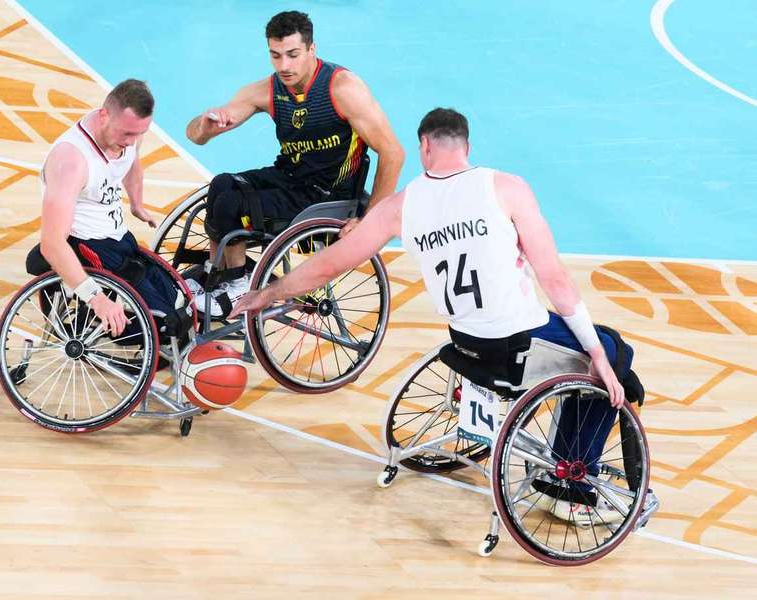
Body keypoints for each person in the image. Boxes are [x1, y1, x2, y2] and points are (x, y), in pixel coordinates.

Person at [231, 108, 644, 524]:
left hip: (465, 347)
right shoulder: (507, 187)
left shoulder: (399, 207)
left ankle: (564, 452)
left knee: (594, 345)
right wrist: (598, 355)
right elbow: (554, 279)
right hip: (520, 343)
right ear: (466, 147)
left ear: (424, 148)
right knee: (615, 356)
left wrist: (268, 293)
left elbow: (328, 265)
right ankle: (571, 486)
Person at [184, 10, 404, 314]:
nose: (284, 66)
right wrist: (205, 128)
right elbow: (195, 134)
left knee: (231, 207)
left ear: (311, 50)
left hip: (326, 196)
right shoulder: (267, 90)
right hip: (289, 178)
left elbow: (393, 152)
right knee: (221, 184)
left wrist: (371, 220)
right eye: (275, 56)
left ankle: (238, 287)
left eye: (292, 55)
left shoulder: (342, 89)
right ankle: (220, 272)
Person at [39, 79, 180, 338]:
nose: (132, 141)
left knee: (175, 299)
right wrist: (96, 298)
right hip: (84, 242)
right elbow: (50, 243)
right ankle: (100, 336)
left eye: (140, 133)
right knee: (160, 322)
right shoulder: (71, 161)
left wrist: (137, 203)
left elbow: (132, 163)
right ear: (104, 115)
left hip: (117, 236)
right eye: (127, 134)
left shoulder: (129, 132)